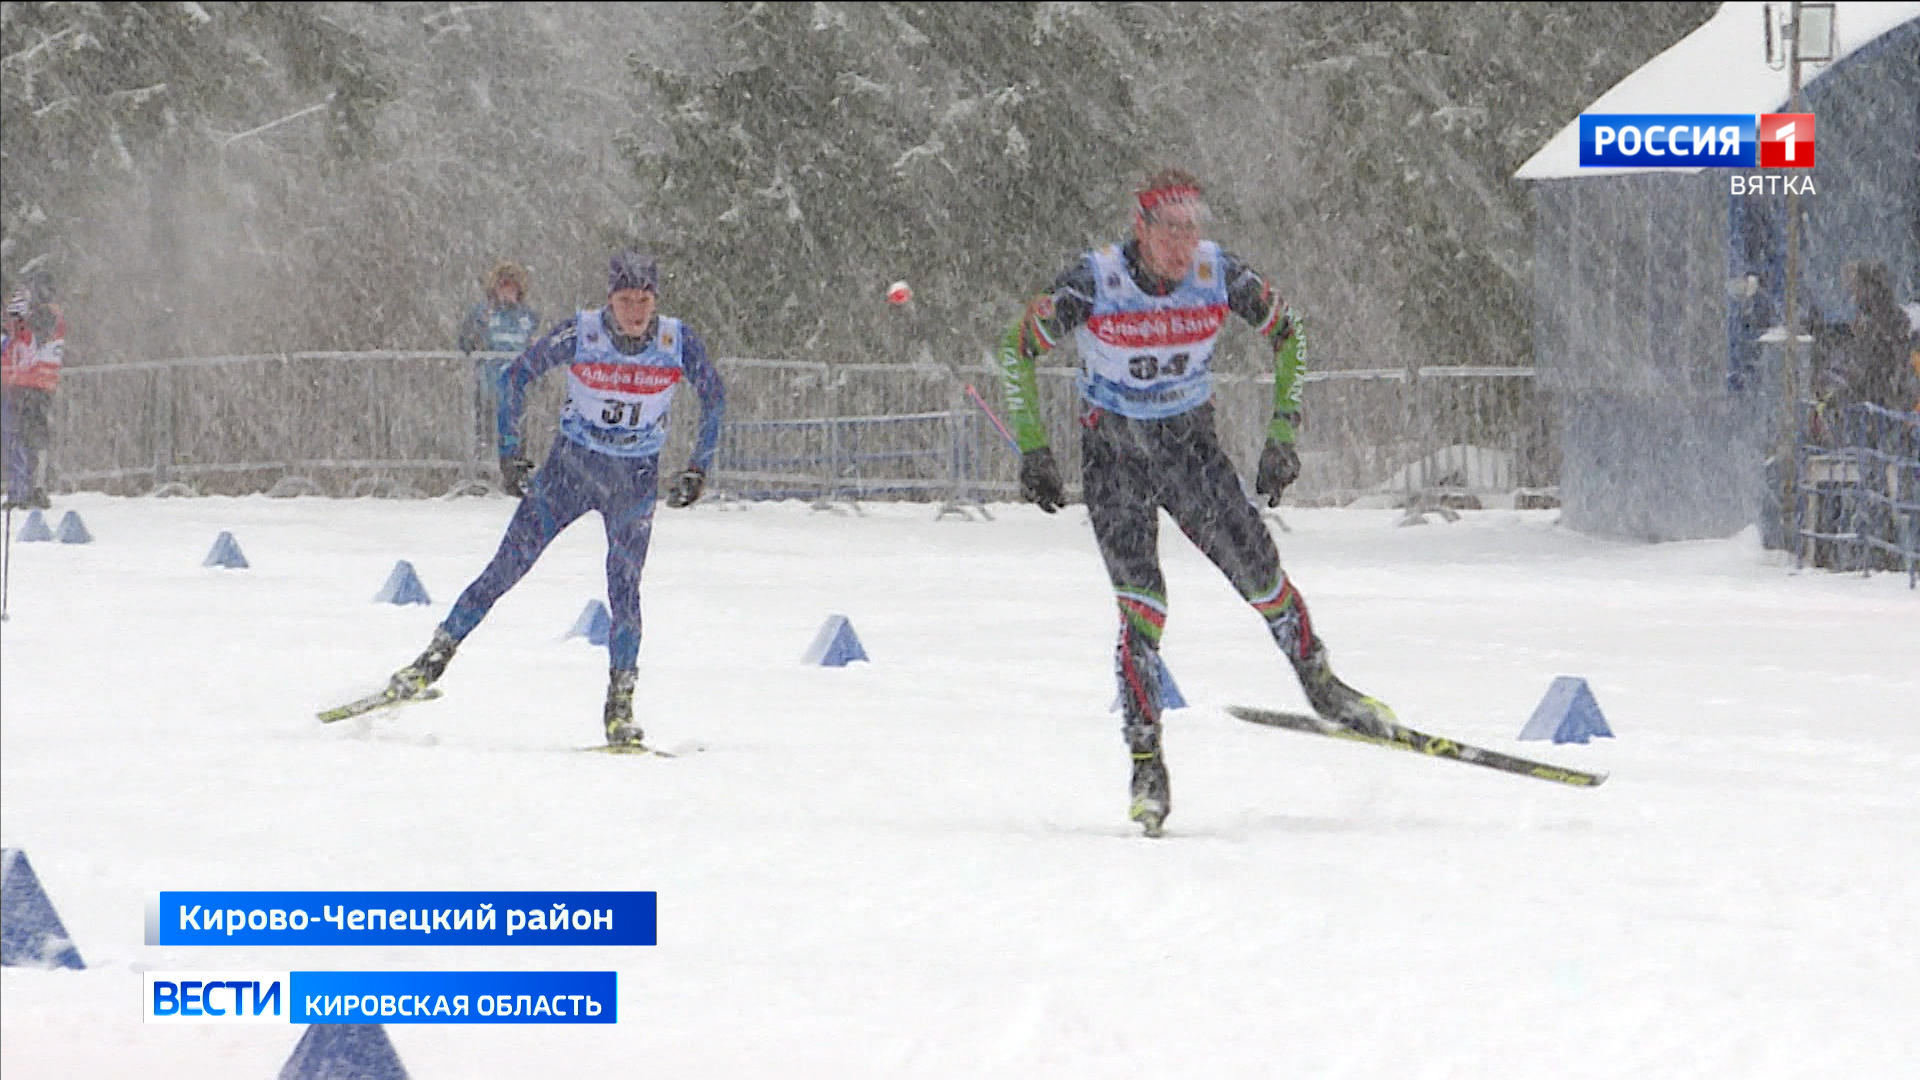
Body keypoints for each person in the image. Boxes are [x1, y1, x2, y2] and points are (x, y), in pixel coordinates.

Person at [993, 168, 1397, 837]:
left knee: (1262, 577)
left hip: (1189, 451)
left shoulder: (1217, 273)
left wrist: (1283, 433)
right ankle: (1146, 763)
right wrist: (1032, 448)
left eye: (1192, 228)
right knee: (1143, 609)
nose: (1183, 245)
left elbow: (1290, 333)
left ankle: (1324, 687)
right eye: (1169, 230)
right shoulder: (1094, 279)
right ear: (1140, 228)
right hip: (1115, 458)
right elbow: (1016, 348)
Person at [378, 251, 725, 747]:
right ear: (610, 299)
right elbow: (515, 376)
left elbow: (714, 396)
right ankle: (428, 664)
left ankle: (620, 707)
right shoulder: (583, 333)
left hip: (633, 481)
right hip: (571, 472)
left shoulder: (676, 340)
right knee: (505, 568)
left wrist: (698, 468)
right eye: (626, 300)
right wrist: (510, 453)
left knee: (625, 590)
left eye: (644, 300)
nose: (635, 311)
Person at [457, 260, 541, 491]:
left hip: (517, 387)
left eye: (512, 286)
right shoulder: (482, 314)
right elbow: (465, 344)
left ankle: (514, 475)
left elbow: (536, 347)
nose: (507, 291)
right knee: (485, 432)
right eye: (503, 285)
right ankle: (481, 475)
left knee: (515, 432)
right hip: (488, 385)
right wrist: (474, 339)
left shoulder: (528, 317)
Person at [1, 268, 65, 510]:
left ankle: (31, 489)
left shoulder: (47, 313)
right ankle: (23, 488)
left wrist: (20, 319)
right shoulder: (36, 315)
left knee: (28, 437)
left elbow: (34, 337)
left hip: (34, 384)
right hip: (21, 383)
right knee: (19, 437)